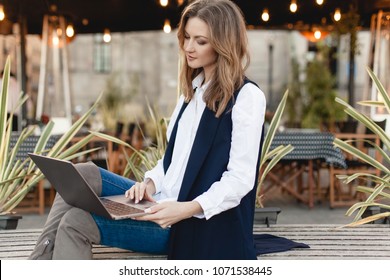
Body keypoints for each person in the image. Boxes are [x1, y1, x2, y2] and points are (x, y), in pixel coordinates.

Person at [29, 0, 266, 260]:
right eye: (186, 37)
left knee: (76, 221)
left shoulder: (246, 97)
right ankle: (38, 262)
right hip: (161, 202)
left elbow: (240, 179)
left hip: (192, 221)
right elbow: (172, 163)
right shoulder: (191, 94)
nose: (188, 47)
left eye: (201, 41)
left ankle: (38, 264)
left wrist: (186, 209)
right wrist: (150, 185)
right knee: (83, 173)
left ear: (224, 44)